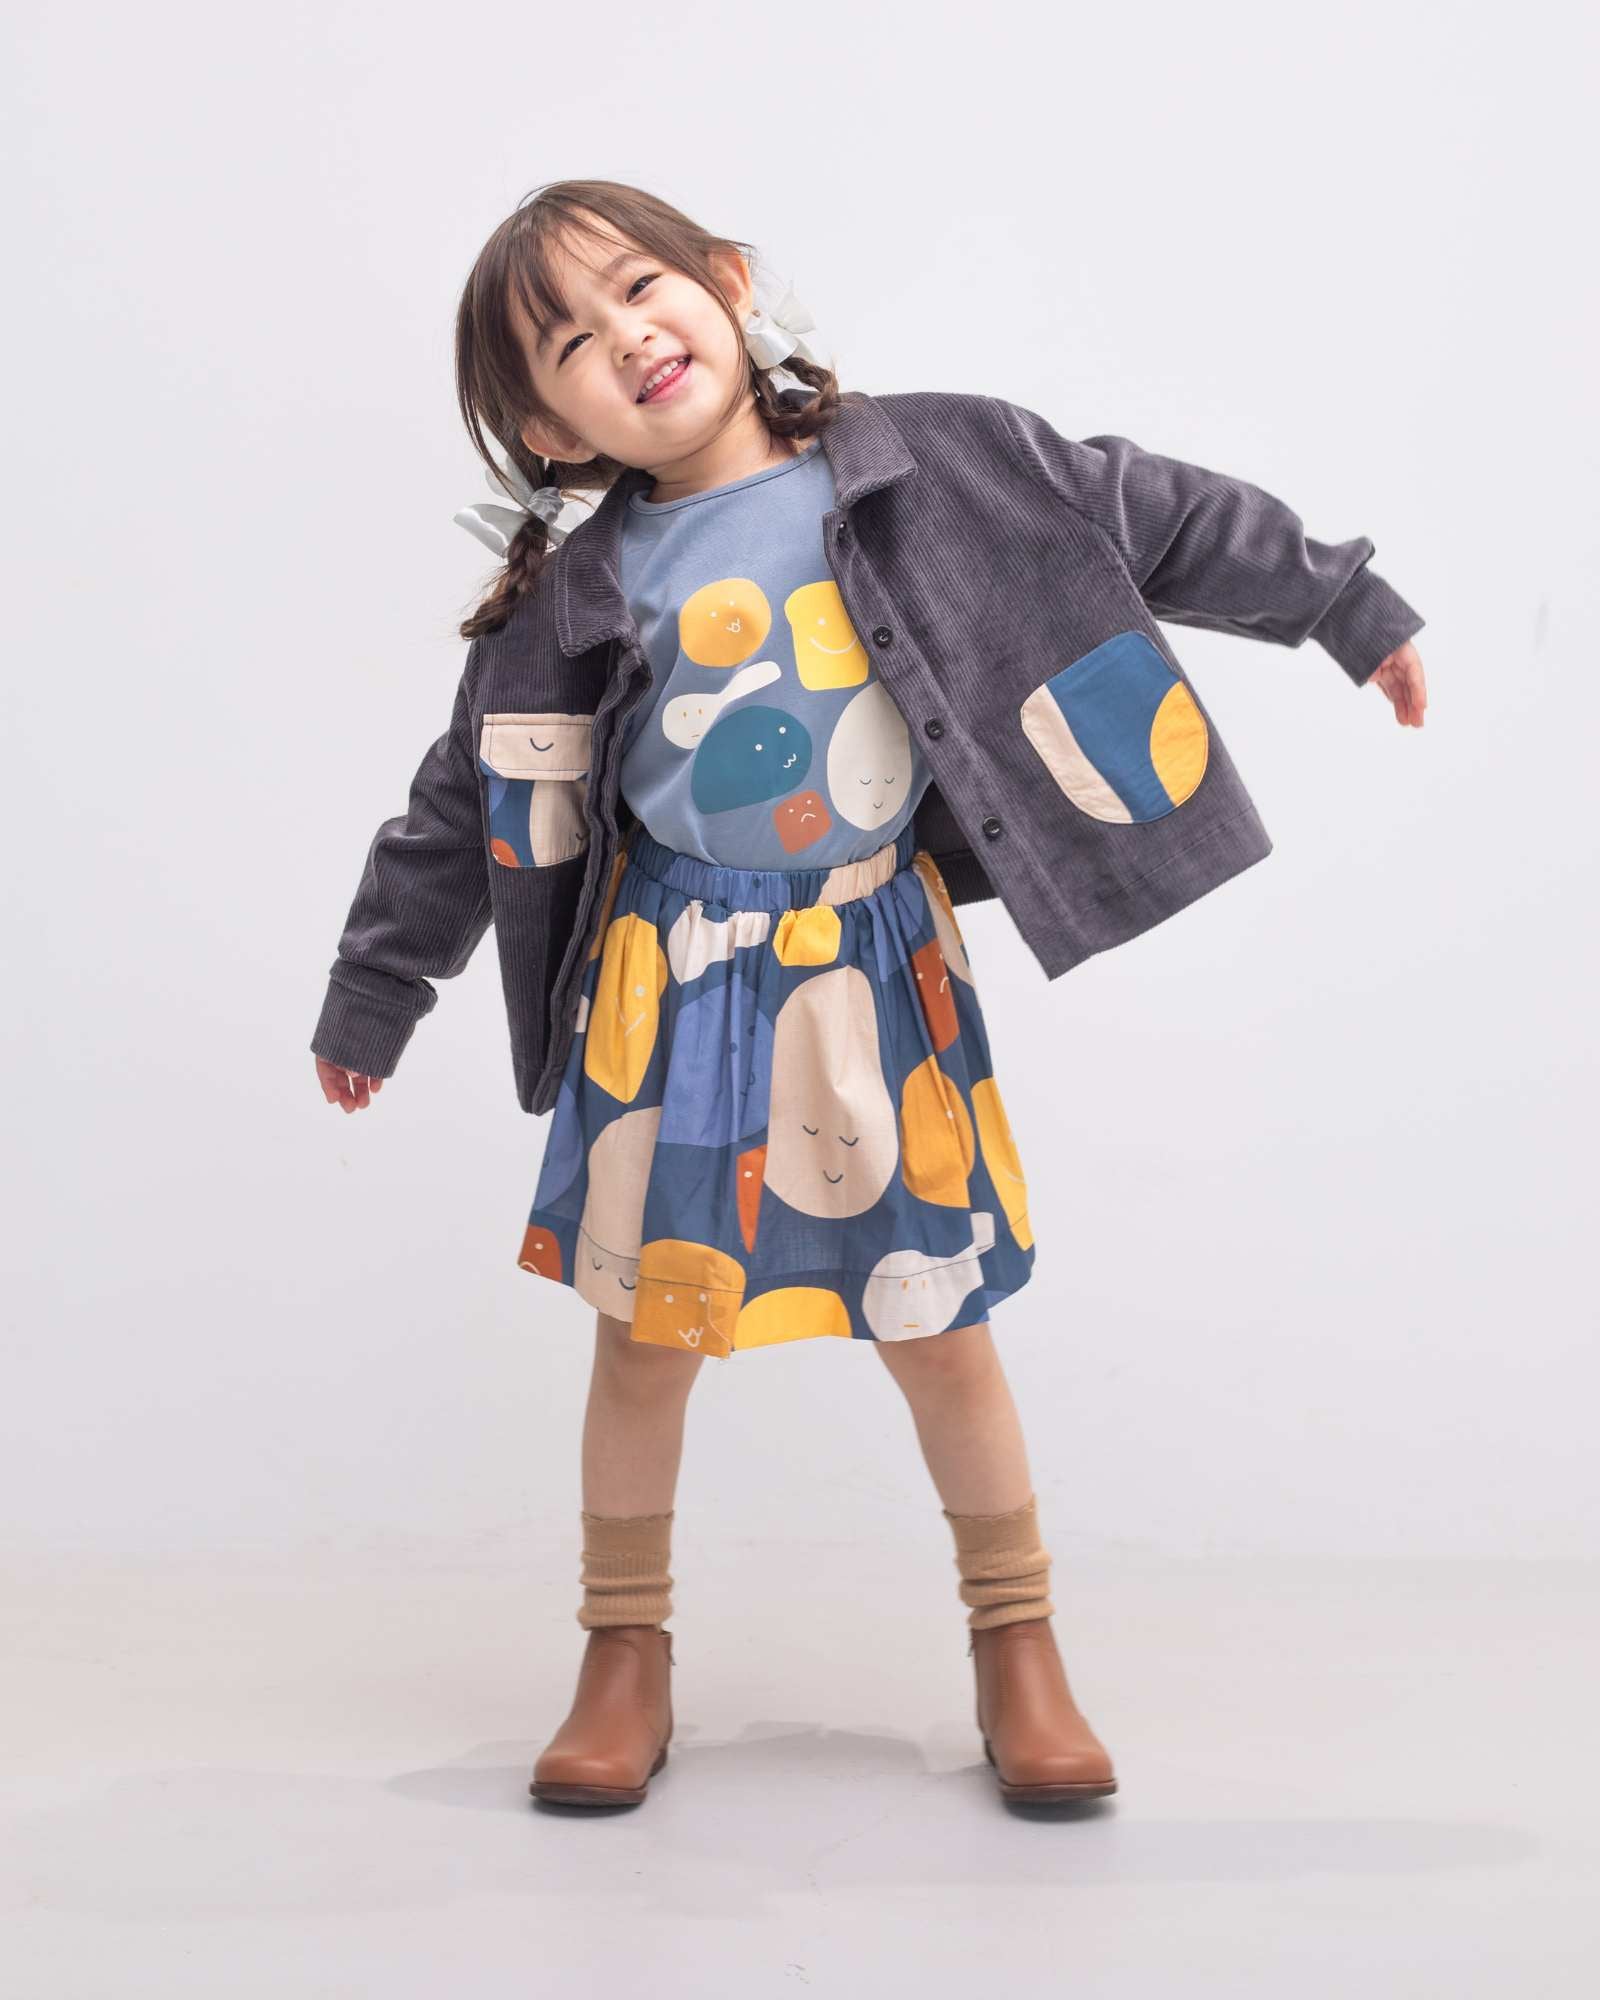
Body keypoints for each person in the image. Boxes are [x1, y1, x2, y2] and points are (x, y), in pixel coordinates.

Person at [310, 178, 1428, 1811]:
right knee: (644, 1341)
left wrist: (1339, 602)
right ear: (550, 435)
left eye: (640, 288)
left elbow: (1159, 515)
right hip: (670, 995)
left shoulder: (940, 463)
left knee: (942, 1327)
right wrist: (375, 991)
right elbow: (460, 802)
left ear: (727, 281)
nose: (627, 337)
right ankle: (624, 1651)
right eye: (569, 343)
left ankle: (1018, 1643)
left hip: (872, 975)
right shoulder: (569, 599)